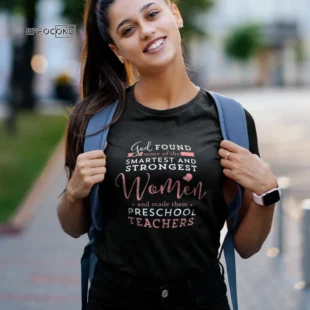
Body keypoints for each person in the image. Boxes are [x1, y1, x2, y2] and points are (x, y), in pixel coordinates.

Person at [57, 0, 280, 309]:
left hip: (201, 297)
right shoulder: (94, 120)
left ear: (175, 14)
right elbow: (73, 227)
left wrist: (267, 193)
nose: (147, 31)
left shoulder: (231, 119)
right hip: (115, 298)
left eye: (152, 14)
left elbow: (246, 246)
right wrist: (73, 193)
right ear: (117, 50)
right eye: (129, 29)